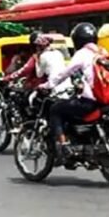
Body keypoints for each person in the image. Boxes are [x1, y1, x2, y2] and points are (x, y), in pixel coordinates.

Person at [38, 22, 103, 150]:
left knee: (56, 109)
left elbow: (65, 73)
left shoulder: (82, 53)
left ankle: (63, 146)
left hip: (91, 100)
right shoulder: (102, 51)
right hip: (106, 98)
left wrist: (48, 85)